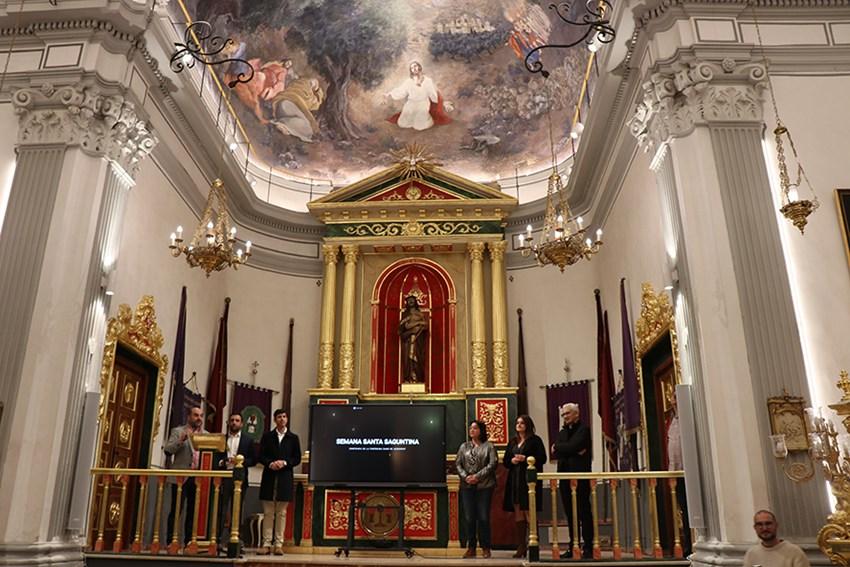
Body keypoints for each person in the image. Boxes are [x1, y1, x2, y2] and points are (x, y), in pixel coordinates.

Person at [552, 403, 593, 559]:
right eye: (563, 415)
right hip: (564, 477)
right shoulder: (562, 432)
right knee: (570, 514)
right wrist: (569, 449)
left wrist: (561, 447)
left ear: (576, 414)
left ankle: (588, 547)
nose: (565, 417)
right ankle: (573, 546)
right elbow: (564, 450)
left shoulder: (584, 430)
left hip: (580, 477)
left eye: (568, 414)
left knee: (584, 512)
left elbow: (571, 446)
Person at [502, 414, 547, 558]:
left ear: (528, 425)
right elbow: (506, 461)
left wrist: (526, 458)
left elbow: (542, 458)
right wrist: (513, 461)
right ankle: (521, 546)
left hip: (528, 481)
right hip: (515, 480)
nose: (519, 425)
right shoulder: (513, 441)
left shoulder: (535, 440)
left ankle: (533, 544)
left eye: (522, 423)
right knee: (518, 511)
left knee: (529, 511)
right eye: (517, 423)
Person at [258, 409, 301, 555]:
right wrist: (270, 463)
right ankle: (266, 543)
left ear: (287, 419)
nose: (282, 419)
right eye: (279, 417)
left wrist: (285, 463)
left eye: (284, 417)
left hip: (284, 478)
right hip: (269, 477)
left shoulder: (293, 438)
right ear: (275, 420)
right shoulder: (267, 436)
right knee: (268, 512)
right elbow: (261, 455)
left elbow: (297, 458)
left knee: (281, 513)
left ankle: (278, 544)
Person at [164, 404, 206, 545]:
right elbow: (168, 450)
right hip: (180, 478)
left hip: (198, 478)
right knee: (176, 510)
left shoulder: (206, 435)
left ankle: (189, 542)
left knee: (193, 512)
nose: (198, 418)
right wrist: (180, 441)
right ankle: (171, 541)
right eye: (195, 415)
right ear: (189, 417)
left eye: (201, 416)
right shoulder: (178, 431)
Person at [456, 420, 498, 559]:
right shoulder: (464, 446)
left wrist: (477, 477)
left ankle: (486, 547)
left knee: (483, 517)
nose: (472, 430)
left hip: (484, 486)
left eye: (475, 428)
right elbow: (458, 464)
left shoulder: (489, 446)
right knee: (469, 518)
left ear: (481, 430)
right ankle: (471, 547)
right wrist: (466, 477)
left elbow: (492, 464)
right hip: (467, 486)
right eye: (470, 428)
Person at [217, 413, 255, 546]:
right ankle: (218, 539)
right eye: (232, 420)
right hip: (224, 477)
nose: (234, 422)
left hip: (240, 478)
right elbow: (216, 457)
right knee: (221, 508)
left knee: (237, 509)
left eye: (237, 420)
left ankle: (235, 540)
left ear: (242, 424)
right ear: (228, 423)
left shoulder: (248, 440)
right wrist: (224, 461)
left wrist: (240, 461)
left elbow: (253, 460)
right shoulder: (221, 439)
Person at [385, 61, 452, 130]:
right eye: (412, 68)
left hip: (423, 104)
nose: (414, 68)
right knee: (403, 124)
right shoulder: (408, 81)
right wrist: (390, 93)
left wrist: (443, 103)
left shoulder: (428, 81)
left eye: (415, 66)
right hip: (411, 104)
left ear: (419, 67)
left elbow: (433, 94)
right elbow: (401, 91)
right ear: (411, 71)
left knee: (420, 126)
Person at [743, 510, 810, 567]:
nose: (764, 528)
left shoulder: (795, 552)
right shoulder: (751, 554)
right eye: (760, 524)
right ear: (755, 528)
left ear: (776, 525)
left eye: (768, 523)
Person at [398, 295, 428, 383]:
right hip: (408, 341)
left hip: (418, 341)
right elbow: (402, 328)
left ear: (415, 302)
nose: (411, 302)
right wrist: (412, 330)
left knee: (418, 359)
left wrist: (419, 326)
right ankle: (408, 378)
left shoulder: (420, 314)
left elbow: (425, 326)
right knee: (408, 360)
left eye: (412, 300)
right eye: (409, 300)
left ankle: (418, 378)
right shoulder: (405, 315)